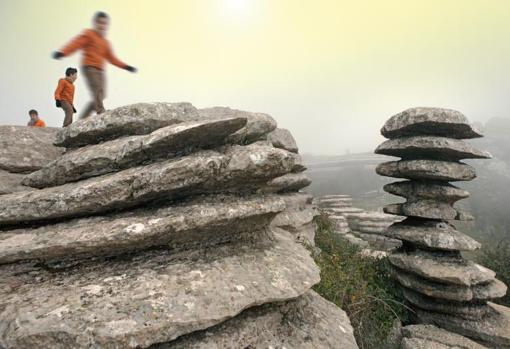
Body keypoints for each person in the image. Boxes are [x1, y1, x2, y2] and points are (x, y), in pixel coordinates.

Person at [51, 11, 136, 119]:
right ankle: (100, 111)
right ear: (95, 23)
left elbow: (112, 58)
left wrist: (126, 66)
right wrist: (63, 52)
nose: (102, 26)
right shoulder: (89, 34)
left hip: (100, 70)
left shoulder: (105, 43)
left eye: (104, 23)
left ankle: (82, 118)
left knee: (102, 95)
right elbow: (76, 44)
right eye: (100, 23)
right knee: (97, 91)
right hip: (89, 67)